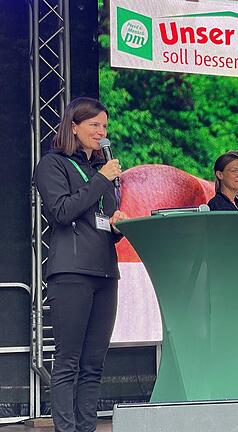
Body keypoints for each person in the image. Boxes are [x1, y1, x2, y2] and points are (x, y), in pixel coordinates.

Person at [33, 97, 127, 432]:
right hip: (71, 272)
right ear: (74, 126)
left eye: (105, 126)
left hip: (105, 271)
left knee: (93, 364)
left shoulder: (100, 171)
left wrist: (117, 225)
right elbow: (61, 212)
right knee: (69, 362)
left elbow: (98, 218)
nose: (102, 133)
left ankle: (87, 428)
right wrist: (102, 178)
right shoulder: (52, 165)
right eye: (94, 126)